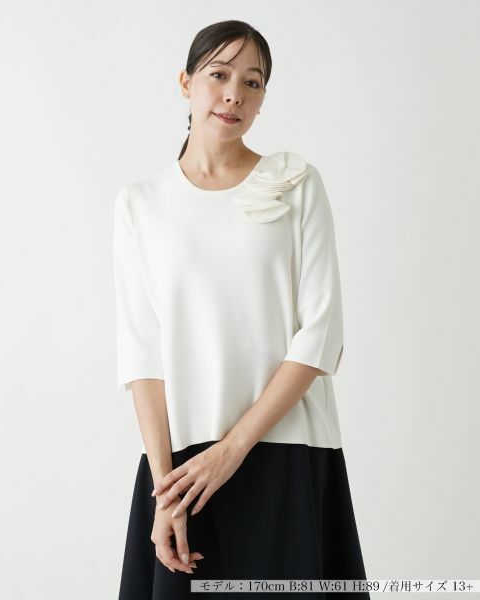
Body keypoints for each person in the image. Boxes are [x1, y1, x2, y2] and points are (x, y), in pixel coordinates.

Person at [114, 19, 370, 600]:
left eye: (252, 83)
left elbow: (321, 332)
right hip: (183, 471)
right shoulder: (140, 204)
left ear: (262, 99)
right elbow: (142, 354)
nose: (234, 94)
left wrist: (230, 451)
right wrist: (164, 491)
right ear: (186, 83)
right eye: (219, 75)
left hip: (287, 451)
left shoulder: (297, 184)